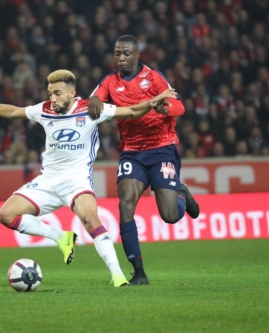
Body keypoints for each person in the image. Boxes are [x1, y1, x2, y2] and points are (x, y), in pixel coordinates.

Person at [0, 69, 175, 287]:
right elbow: (14, 112)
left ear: (72, 94)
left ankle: (117, 275)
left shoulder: (91, 109)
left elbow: (132, 111)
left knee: (91, 220)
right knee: (6, 215)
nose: (52, 99)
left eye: (58, 93)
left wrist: (153, 101)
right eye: (50, 93)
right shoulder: (43, 110)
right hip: (48, 181)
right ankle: (61, 237)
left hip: (77, 180)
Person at [88, 35, 201, 285]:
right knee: (125, 204)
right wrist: (94, 99)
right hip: (131, 152)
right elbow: (94, 98)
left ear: (137, 55)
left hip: (162, 149)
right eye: (117, 53)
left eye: (126, 53)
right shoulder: (110, 81)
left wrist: (165, 109)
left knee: (170, 215)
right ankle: (138, 272)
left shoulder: (154, 77)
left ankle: (183, 194)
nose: (121, 57)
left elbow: (179, 107)